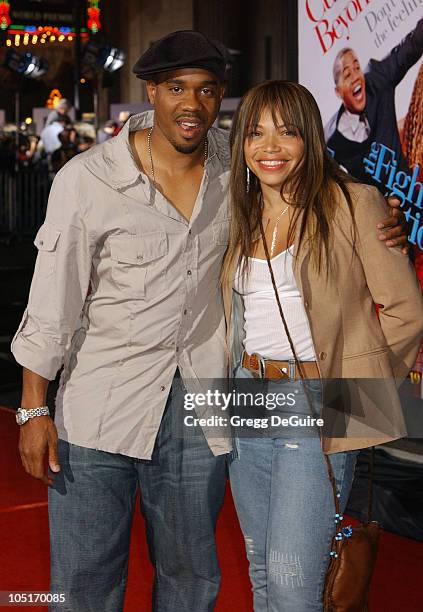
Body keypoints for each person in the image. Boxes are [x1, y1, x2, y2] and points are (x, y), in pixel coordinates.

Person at [11, 30, 408, 612]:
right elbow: (51, 303)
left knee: (193, 577)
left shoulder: (236, 166)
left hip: (207, 408)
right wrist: (32, 407)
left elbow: (311, 180)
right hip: (99, 410)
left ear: (220, 95)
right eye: (176, 88)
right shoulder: (88, 179)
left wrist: (379, 210)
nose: (190, 105)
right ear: (151, 92)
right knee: (82, 582)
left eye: (205, 90)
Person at [221, 80, 423, 611]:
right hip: (247, 395)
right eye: (257, 132)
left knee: (293, 584)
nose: (270, 146)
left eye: (287, 132)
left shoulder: (353, 203)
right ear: (241, 141)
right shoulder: (236, 211)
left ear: (310, 137)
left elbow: (406, 311)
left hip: (316, 399)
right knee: (263, 569)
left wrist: (360, 400)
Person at [325, 19, 423, 187]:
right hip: (375, 209)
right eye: (347, 74)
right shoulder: (331, 141)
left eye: (357, 68)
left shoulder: (378, 80)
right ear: (338, 92)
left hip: (410, 201)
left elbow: (410, 47)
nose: (356, 76)